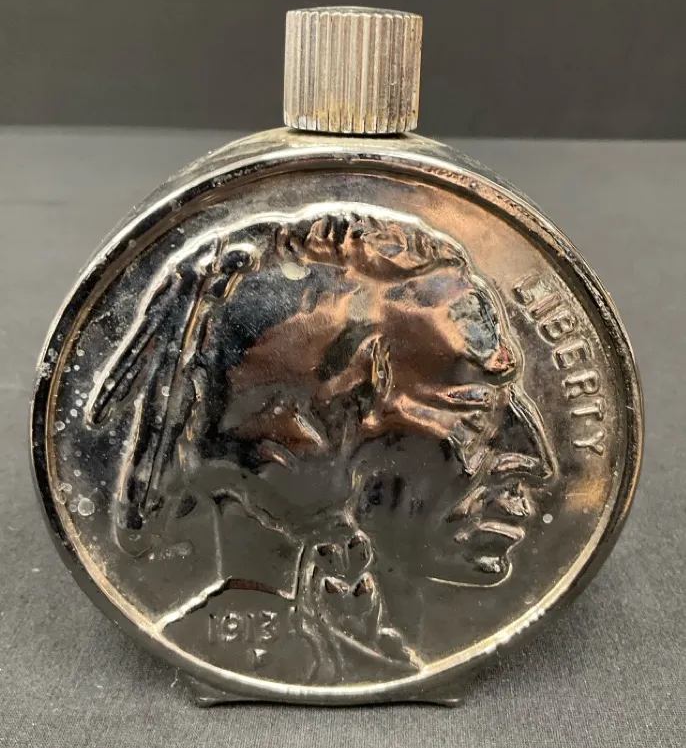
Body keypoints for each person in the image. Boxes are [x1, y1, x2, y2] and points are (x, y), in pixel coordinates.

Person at [89, 203, 555, 684]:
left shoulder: (351, 628)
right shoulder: (275, 650)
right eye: (473, 407)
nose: (536, 460)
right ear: (297, 442)